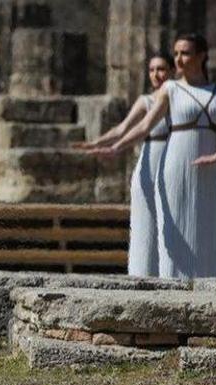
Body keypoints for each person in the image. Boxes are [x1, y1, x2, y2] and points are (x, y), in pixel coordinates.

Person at [89, 34, 216, 279]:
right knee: (173, 233)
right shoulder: (170, 89)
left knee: (205, 229)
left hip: (206, 168)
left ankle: (206, 290)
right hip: (174, 164)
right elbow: (144, 127)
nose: (179, 59)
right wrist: (116, 147)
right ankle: (171, 288)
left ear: (202, 56)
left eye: (185, 53)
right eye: (176, 54)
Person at [75, 52, 176, 276]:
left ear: (172, 71)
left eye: (161, 69)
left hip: (174, 162)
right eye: (152, 70)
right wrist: (96, 143)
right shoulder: (146, 101)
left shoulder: (180, 99)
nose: (156, 75)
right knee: (146, 222)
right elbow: (122, 129)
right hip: (150, 161)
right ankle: (142, 273)